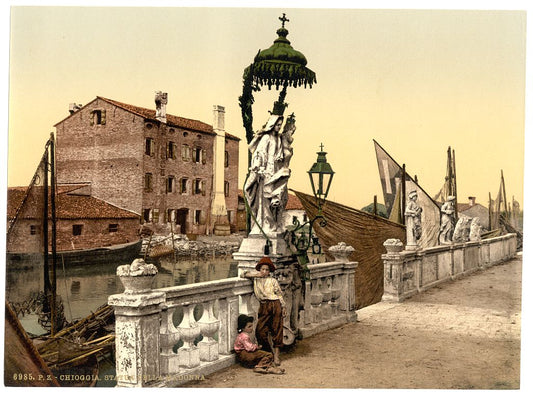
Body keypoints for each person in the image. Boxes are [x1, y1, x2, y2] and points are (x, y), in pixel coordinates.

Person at [244, 115, 291, 236]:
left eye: (280, 125)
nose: (279, 127)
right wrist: (258, 167)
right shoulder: (266, 137)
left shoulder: (279, 139)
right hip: (266, 171)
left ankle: (274, 224)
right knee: (265, 199)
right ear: (272, 124)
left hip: (276, 169)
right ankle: (266, 225)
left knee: (278, 198)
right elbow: (259, 153)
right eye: (277, 124)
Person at [241, 257, 286, 366]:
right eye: (262, 269)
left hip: (275, 304)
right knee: (260, 331)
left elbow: (279, 294)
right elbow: (243, 274)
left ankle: (276, 356)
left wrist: (284, 307)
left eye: (267, 270)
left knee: (277, 329)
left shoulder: (272, 280)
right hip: (264, 305)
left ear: (269, 271)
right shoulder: (256, 279)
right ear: (259, 270)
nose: (264, 272)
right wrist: (256, 275)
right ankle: (268, 353)